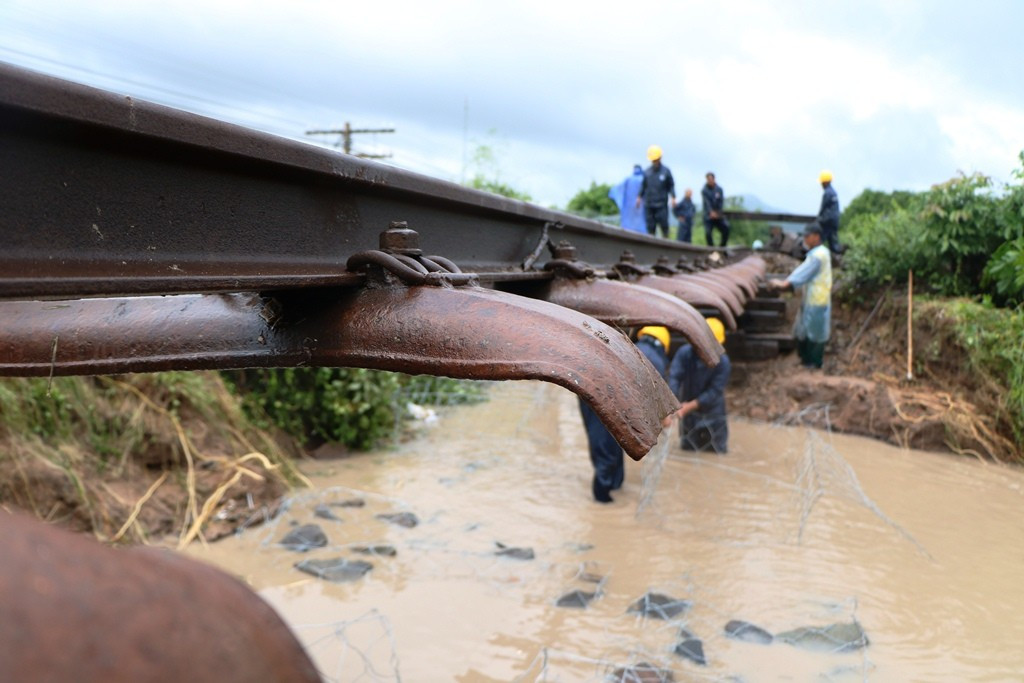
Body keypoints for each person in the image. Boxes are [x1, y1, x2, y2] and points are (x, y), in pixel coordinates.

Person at [579, 326, 670, 503]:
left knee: (609, 445)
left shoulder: (632, 348)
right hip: (606, 400)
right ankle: (603, 503)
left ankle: (614, 487)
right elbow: (654, 398)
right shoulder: (655, 359)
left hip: (590, 392)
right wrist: (664, 417)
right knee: (608, 452)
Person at [769, 223, 833, 369]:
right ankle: (806, 360)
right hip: (814, 298)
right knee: (805, 329)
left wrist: (784, 284)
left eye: (807, 236)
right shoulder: (819, 253)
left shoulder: (818, 255)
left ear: (816, 237)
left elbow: (803, 273)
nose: (804, 239)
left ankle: (813, 363)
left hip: (818, 299)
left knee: (815, 332)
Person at [668, 317, 731, 454]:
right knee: (688, 453)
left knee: (716, 456)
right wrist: (672, 405)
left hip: (713, 416)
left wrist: (687, 407)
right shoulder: (685, 354)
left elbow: (714, 392)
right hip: (689, 418)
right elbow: (675, 377)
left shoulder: (723, 363)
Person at [635, 145, 676, 239]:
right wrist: (638, 197)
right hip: (649, 204)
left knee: (664, 226)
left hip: (661, 204)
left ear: (660, 158)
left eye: (656, 159)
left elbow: (671, 185)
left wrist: (673, 197)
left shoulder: (666, 171)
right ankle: (651, 246)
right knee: (650, 227)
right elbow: (643, 186)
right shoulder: (647, 172)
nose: (655, 162)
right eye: (653, 160)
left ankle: (666, 244)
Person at [608, 164, 647, 233]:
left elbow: (617, 189)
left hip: (629, 210)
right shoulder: (644, 179)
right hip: (641, 208)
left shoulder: (628, 179)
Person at [701, 172, 730, 246]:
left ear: (714, 179)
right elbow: (706, 203)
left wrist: (717, 213)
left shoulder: (719, 189)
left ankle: (722, 247)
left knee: (726, 227)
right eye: (708, 179)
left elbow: (721, 202)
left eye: (711, 179)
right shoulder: (704, 190)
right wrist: (711, 212)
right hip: (708, 216)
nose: (709, 181)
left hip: (718, 215)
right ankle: (711, 249)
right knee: (708, 233)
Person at [817, 170, 842, 254]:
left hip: (827, 221)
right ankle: (837, 259)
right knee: (833, 243)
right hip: (834, 221)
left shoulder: (827, 193)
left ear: (825, 182)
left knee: (819, 241)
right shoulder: (834, 192)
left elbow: (823, 208)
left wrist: (819, 219)